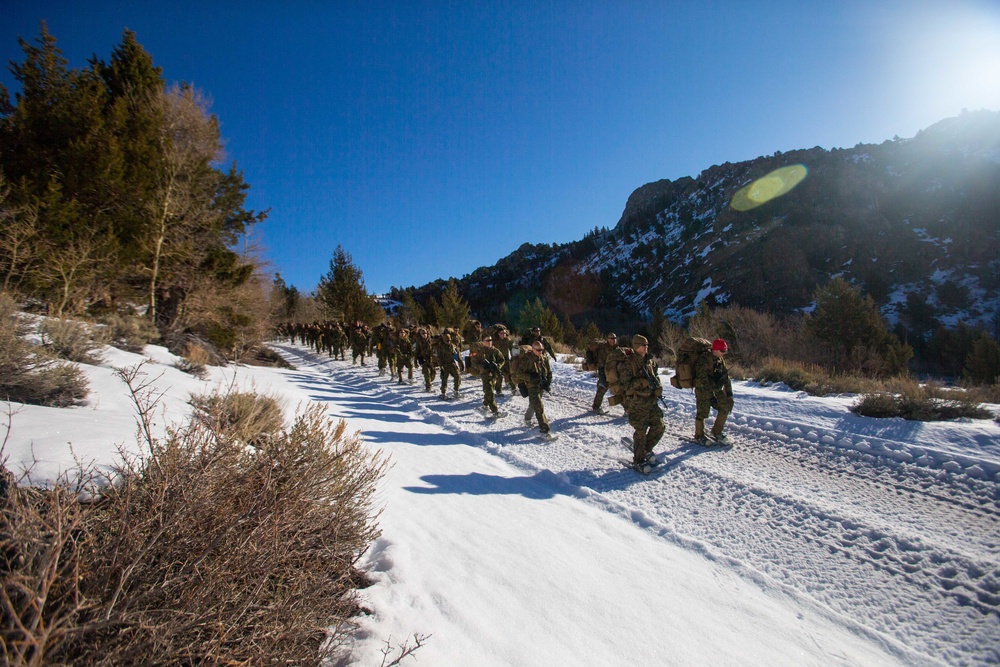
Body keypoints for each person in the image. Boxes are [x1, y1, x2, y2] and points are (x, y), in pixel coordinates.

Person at [618, 335, 665, 469]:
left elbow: (655, 376)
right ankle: (638, 460)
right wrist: (641, 382)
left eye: (647, 345)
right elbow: (624, 385)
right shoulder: (630, 363)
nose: (646, 347)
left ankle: (645, 449)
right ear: (637, 346)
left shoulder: (649, 361)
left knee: (659, 426)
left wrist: (658, 387)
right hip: (637, 402)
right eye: (644, 345)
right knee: (640, 431)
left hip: (651, 400)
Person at [694, 338, 734, 444]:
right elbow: (701, 378)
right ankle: (699, 435)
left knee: (725, 407)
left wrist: (729, 393)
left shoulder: (719, 359)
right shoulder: (704, 359)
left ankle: (717, 432)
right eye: (722, 351)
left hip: (715, 389)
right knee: (702, 412)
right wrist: (713, 388)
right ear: (715, 350)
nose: (724, 354)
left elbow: (726, 376)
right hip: (703, 390)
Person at [516, 341, 554, 439]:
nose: (540, 352)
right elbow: (519, 374)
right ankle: (544, 430)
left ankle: (527, 419)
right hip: (531, 386)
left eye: (541, 350)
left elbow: (549, 372)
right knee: (539, 406)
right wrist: (530, 376)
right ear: (533, 349)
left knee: (534, 404)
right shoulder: (527, 360)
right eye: (538, 350)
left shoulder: (544, 358)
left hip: (541, 385)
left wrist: (548, 383)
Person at [471, 335, 506, 418]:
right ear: (483, 341)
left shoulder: (495, 351)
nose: (490, 342)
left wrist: (498, 366)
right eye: (487, 340)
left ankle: (485, 405)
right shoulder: (479, 351)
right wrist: (482, 366)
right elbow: (474, 362)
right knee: (489, 391)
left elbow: (502, 360)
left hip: (494, 374)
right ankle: (495, 411)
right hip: (485, 374)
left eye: (490, 340)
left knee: (490, 390)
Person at [591, 332, 619, 414]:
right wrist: (602, 376)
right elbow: (601, 363)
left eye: (614, 339)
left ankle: (627, 410)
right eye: (611, 339)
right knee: (602, 389)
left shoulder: (616, 348)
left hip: (614, 372)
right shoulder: (603, 349)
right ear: (608, 339)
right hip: (605, 372)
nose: (613, 340)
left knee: (619, 389)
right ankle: (596, 407)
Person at [433, 331, 462, 399]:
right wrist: (441, 366)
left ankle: (456, 390)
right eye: (446, 341)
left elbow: (457, 354)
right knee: (444, 379)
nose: (448, 342)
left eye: (449, 340)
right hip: (444, 364)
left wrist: (460, 362)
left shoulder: (453, 346)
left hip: (452, 363)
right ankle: (443, 392)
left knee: (457, 376)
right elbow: (438, 357)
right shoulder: (440, 347)